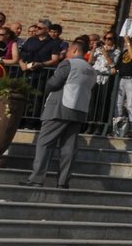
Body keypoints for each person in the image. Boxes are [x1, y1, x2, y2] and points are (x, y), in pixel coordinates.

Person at [25, 36, 94, 188]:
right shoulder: (90, 68)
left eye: (69, 49)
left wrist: (47, 86)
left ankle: (37, 178)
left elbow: (55, 82)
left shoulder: (68, 63)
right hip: (79, 109)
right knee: (69, 148)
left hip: (60, 106)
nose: (66, 52)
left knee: (45, 143)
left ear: (75, 49)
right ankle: (63, 181)